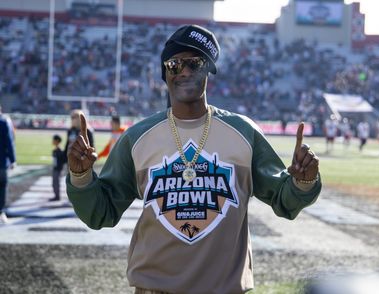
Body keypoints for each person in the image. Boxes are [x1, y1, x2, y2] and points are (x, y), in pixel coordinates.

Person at [66, 24, 322, 294]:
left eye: (195, 63)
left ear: (209, 69)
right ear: (164, 73)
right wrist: (81, 176)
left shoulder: (244, 133)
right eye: (174, 64)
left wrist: (303, 181)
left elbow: (284, 199)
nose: (185, 71)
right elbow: (101, 213)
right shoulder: (137, 138)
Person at [0, 106, 16, 224]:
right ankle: (0, 212)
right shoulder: (3, 122)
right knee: (2, 187)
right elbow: (9, 142)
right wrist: (13, 159)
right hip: (1, 162)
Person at [50, 134, 64, 202]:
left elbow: (62, 161)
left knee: (56, 183)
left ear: (57, 141)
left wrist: (59, 168)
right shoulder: (55, 150)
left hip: (58, 169)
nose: (52, 141)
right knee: (54, 183)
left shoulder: (60, 151)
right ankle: (56, 195)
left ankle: (57, 196)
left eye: (54, 140)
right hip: (55, 168)